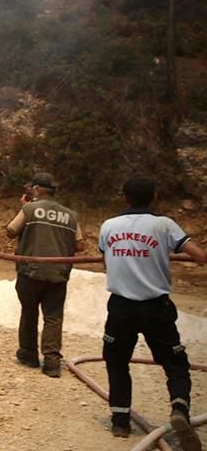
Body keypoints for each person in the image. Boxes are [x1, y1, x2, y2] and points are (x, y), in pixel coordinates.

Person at [99, 176, 206, 449]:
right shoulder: (164, 225)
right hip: (155, 307)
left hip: (121, 307)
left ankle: (120, 422)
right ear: (154, 197)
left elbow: (106, 262)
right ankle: (179, 409)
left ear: (124, 198)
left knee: (116, 360)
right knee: (175, 363)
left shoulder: (109, 226)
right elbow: (199, 256)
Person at [6, 172, 84, 378]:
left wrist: (25, 208)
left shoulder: (29, 209)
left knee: (29, 311)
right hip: (59, 273)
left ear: (36, 190)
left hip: (30, 271)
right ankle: (52, 362)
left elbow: (11, 231)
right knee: (53, 317)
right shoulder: (70, 215)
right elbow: (80, 246)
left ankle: (28, 354)